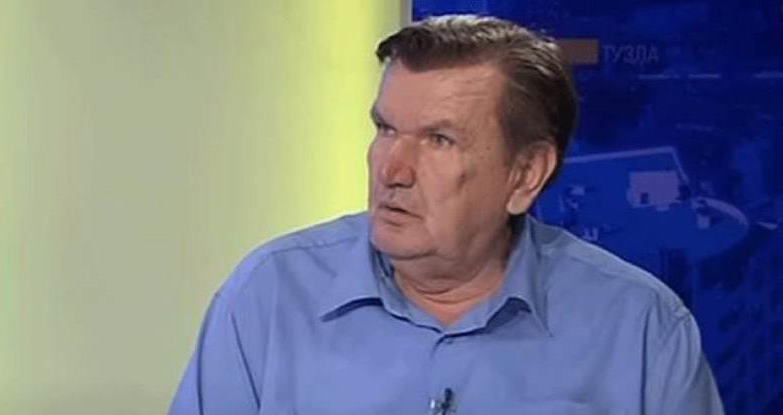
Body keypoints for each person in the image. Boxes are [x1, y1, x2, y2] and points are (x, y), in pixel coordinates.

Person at [169, 15, 724, 415]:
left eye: (438, 140)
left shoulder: (641, 330)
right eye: (385, 129)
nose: (392, 169)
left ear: (525, 174)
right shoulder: (270, 296)